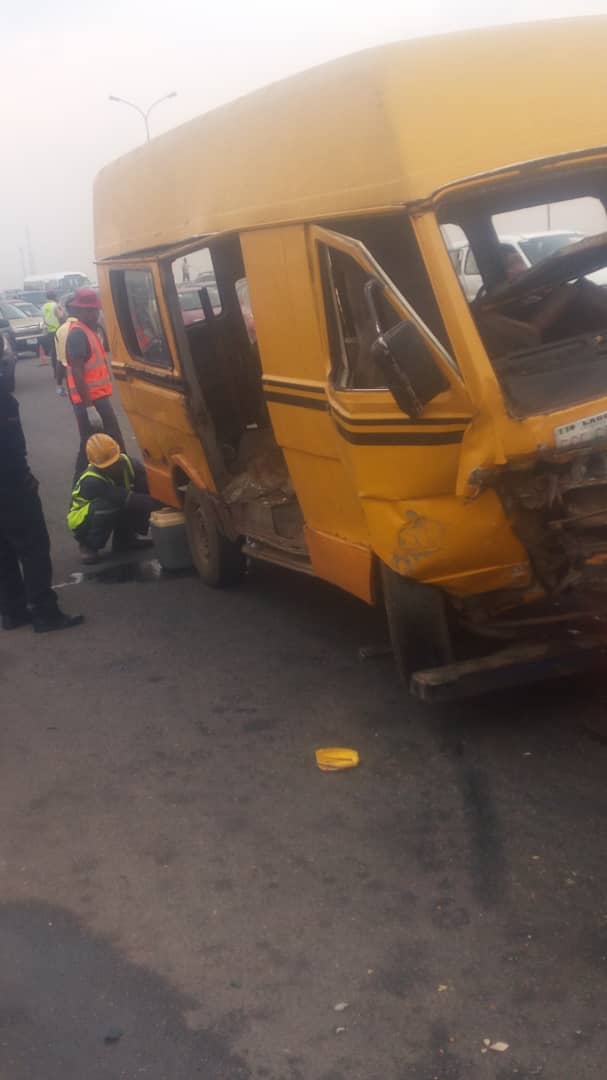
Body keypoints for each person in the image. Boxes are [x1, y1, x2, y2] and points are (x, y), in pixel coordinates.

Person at [0, 335, 83, 632]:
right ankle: (45, 612)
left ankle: (13, 610)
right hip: (9, 485)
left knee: (4, 548)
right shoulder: (2, 399)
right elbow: (8, 449)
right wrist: (23, 478)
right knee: (33, 545)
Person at [68, 434, 157, 565]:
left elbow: (150, 487)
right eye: (106, 466)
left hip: (112, 505)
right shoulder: (91, 480)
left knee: (142, 493)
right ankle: (88, 545)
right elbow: (127, 499)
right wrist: (167, 505)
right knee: (110, 504)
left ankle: (125, 540)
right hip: (83, 521)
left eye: (114, 462)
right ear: (95, 465)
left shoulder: (130, 464)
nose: (111, 467)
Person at [65, 287, 125, 478]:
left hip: (96, 399)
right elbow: (77, 371)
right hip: (90, 401)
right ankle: (82, 485)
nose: (94, 314)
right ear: (78, 312)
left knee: (98, 443)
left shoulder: (87, 331)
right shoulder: (78, 334)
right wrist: (90, 407)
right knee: (98, 444)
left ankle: (113, 480)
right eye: (89, 310)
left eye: (95, 310)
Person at [42, 290, 61, 376]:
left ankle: (55, 372)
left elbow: (44, 320)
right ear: (55, 296)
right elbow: (60, 316)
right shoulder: (55, 305)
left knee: (53, 352)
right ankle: (61, 371)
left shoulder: (44, 307)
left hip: (50, 331)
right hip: (58, 330)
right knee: (60, 351)